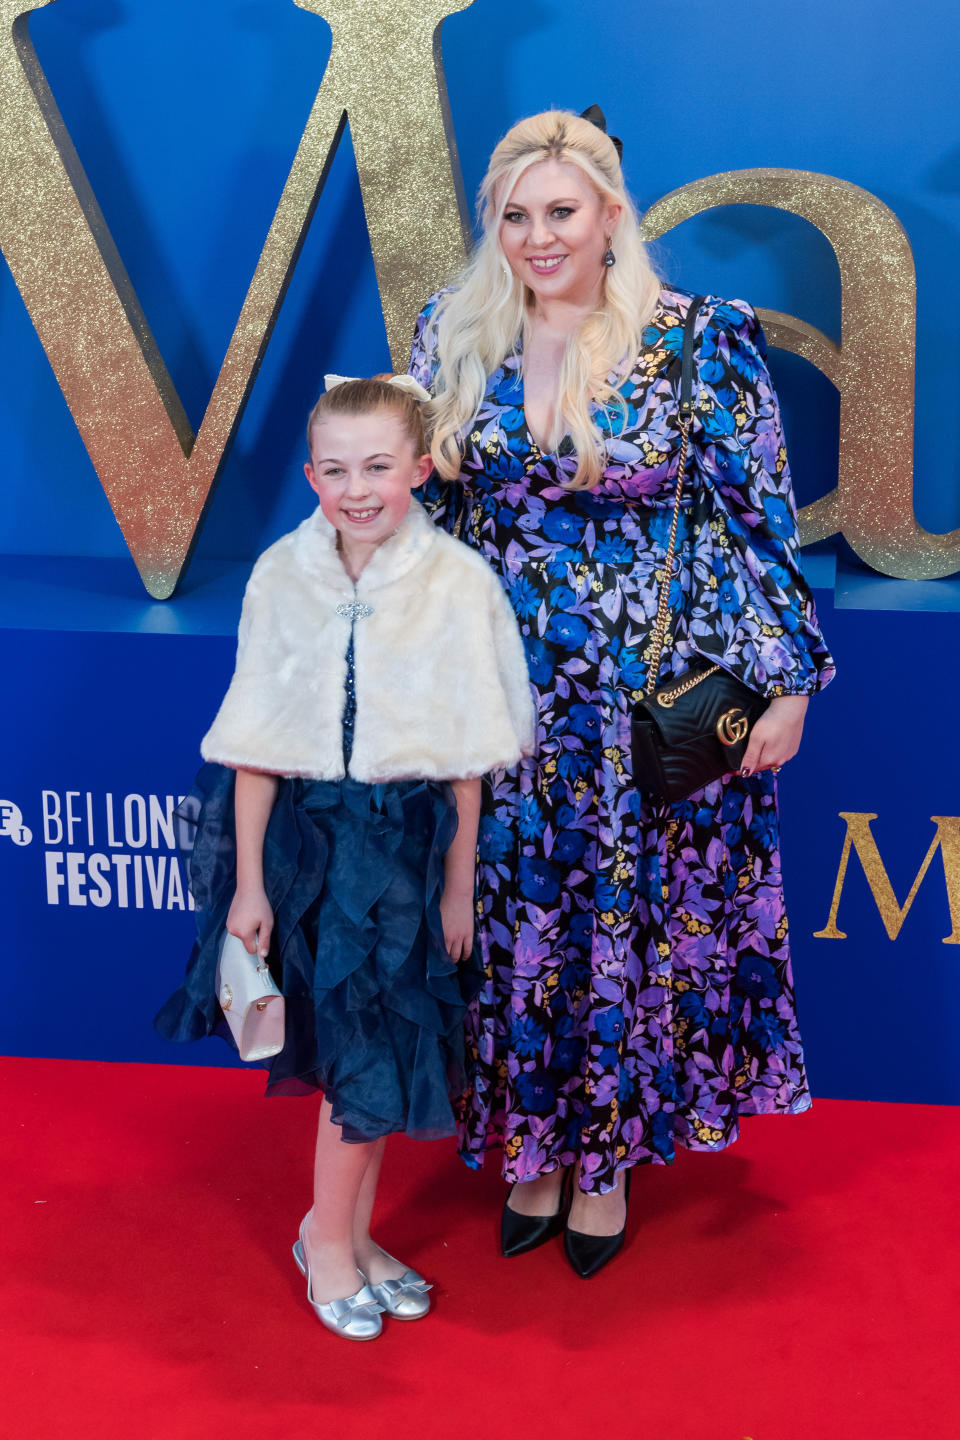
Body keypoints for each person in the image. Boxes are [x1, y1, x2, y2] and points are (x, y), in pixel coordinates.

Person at [409, 109, 835, 1278]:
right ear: (491, 223)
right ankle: (531, 1151)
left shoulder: (699, 338)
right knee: (515, 925)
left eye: (562, 211)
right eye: (515, 215)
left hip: (653, 699)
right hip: (502, 697)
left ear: (609, 215)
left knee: (629, 928)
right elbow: (429, 512)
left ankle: (603, 1166)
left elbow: (761, 521)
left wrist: (788, 682)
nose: (539, 238)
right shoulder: (451, 330)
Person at [155, 376, 535, 1337]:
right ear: (310, 472)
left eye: (377, 466)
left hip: (406, 853)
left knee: (385, 1051)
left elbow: (468, 756)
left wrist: (456, 885)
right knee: (353, 1058)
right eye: (334, 469)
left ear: (419, 467)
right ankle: (328, 1242)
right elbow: (255, 744)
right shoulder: (283, 577)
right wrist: (249, 885)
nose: (357, 489)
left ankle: (349, 1237)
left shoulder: (457, 584)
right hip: (308, 851)